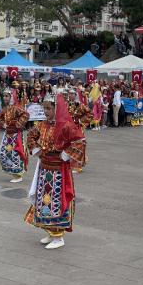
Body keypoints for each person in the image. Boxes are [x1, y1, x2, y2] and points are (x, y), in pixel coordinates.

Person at [25, 93, 86, 250]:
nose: (46, 111)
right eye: (44, 108)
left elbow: (79, 141)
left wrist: (65, 154)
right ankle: (50, 231)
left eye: (49, 108)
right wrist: (36, 149)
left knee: (57, 201)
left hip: (59, 170)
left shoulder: (66, 125)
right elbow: (31, 135)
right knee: (44, 200)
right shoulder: (41, 125)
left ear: (56, 109)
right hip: (44, 168)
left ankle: (59, 236)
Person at [0, 89, 30, 182]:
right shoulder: (4, 109)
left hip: (16, 135)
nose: (5, 98)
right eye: (4, 96)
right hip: (7, 134)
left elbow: (26, 114)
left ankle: (18, 175)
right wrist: (3, 123)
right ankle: (12, 171)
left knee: (16, 154)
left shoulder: (16, 107)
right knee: (3, 153)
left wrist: (18, 124)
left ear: (11, 97)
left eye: (7, 96)